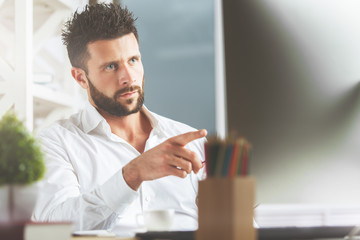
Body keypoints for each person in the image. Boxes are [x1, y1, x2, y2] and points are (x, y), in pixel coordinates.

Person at [32, 3, 207, 232]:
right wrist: (131, 175)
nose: (128, 77)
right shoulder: (55, 143)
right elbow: (55, 226)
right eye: (111, 66)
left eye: (133, 60)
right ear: (80, 78)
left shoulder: (191, 142)